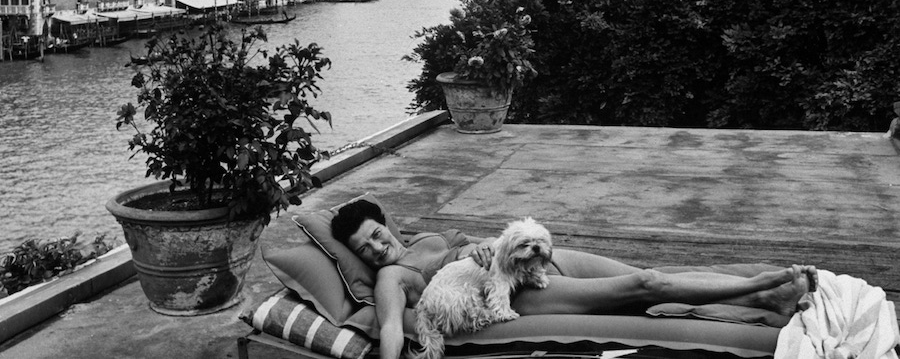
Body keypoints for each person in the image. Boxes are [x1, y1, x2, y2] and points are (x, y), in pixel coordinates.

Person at [332, 200, 817, 359]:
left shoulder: (428, 237)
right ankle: (763, 288)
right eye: (364, 251)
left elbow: (499, 240)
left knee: (657, 278)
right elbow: (393, 324)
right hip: (520, 291)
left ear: (387, 224)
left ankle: (765, 301)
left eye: (376, 235)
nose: (376, 249)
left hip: (539, 259)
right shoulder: (392, 275)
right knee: (648, 287)